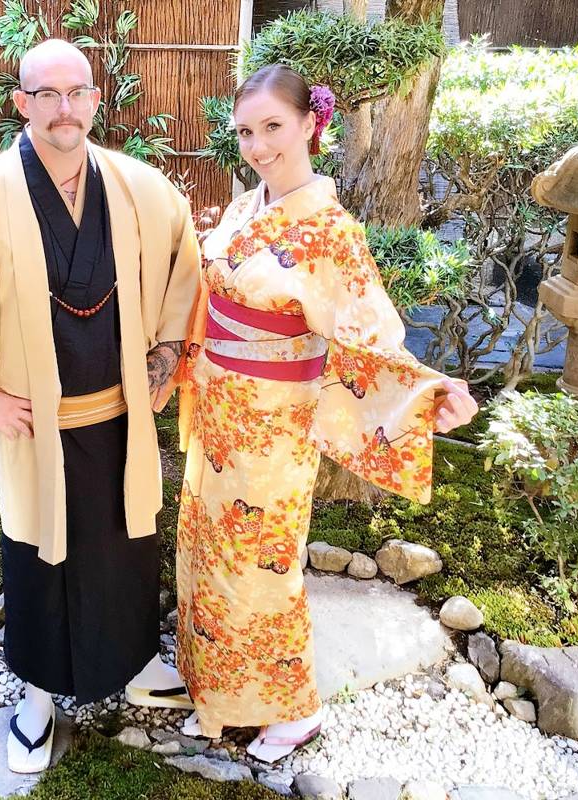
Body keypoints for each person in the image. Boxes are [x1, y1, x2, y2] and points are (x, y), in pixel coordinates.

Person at [0, 38, 201, 774]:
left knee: (127, 545)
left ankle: (134, 665)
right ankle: (36, 697)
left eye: (76, 92)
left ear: (95, 99)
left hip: (120, 417)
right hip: (33, 429)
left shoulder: (139, 188)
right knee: (38, 559)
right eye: (47, 94)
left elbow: (183, 267)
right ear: (21, 103)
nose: (64, 109)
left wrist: (166, 354)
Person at [172, 64, 479, 763]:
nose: (258, 146)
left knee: (261, 567)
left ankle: (294, 709)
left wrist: (426, 394)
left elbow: (372, 339)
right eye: (245, 132)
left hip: (274, 427)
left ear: (311, 123)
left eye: (272, 127)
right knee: (207, 553)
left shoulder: (331, 232)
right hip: (220, 415)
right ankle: (221, 698)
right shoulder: (245, 208)